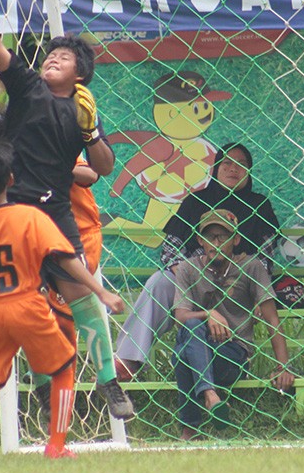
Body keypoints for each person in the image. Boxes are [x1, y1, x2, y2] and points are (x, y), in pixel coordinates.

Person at [0, 0, 133, 420]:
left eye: (63, 59)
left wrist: (91, 135)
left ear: (80, 75)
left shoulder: (82, 110)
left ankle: (109, 383)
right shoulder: (28, 88)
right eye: (51, 55)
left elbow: (104, 168)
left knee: (82, 298)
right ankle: (0, 367)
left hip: (55, 211)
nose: (52, 60)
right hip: (9, 209)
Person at [0, 135, 124, 459]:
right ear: (12, 180)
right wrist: (101, 291)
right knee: (63, 367)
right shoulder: (31, 219)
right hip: (27, 305)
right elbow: (65, 258)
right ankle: (56, 444)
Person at [114, 143, 279, 380]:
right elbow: (171, 249)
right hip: (192, 279)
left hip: (237, 285)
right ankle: (127, 361)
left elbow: (265, 255)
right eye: (228, 163)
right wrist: (189, 276)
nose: (234, 169)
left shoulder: (258, 206)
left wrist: (255, 290)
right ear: (216, 168)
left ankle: (224, 368)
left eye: (242, 165)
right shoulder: (196, 201)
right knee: (159, 282)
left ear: (249, 171)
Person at [172, 208, 294, 440]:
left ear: (236, 239)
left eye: (223, 236)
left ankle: (190, 429)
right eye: (209, 237)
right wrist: (208, 314)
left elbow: (272, 320)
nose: (215, 243)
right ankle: (210, 396)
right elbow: (180, 317)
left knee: (182, 356)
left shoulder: (251, 267)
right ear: (200, 240)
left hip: (231, 354)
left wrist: (283, 366)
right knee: (191, 329)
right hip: (198, 342)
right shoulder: (188, 268)